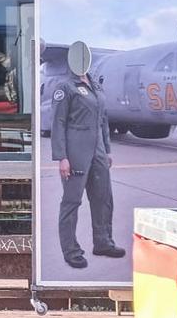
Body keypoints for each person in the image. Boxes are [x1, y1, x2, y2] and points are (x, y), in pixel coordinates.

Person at [50, 42, 124, 270]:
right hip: (76, 152)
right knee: (72, 201)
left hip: (99, 152)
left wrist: (107, 150)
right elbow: (58, 123)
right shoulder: (66, 88)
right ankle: (71, 251)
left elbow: (103, 121)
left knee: (103, 199)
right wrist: (61, 157)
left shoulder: (95, 87)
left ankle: (103, 242)